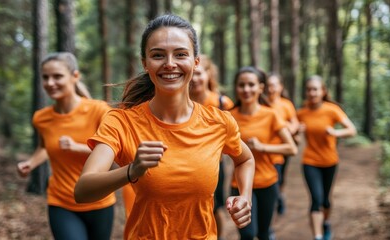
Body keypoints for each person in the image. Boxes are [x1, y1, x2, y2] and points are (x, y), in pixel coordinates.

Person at [74, 14, 255, 239]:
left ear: (195, 62)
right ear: (145, 63)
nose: (170, 63)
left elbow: (245, 159)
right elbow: (83, 190)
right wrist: (132, 170)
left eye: (180, 54)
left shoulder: (219, 121)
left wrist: (245, 197)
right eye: (158, 55)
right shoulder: (121, 122)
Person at [17, 52, 116, 240]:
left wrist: (77, 147)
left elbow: (114, 152)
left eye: (57, 76)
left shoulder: (99, 110)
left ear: (75, 76)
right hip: (61, 202)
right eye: (45, 77)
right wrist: (31, 163)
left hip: (99, 201)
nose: (50, 83)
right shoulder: (41, 118)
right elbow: (46, 147)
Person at [229, 66, 297, 240]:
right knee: (247, 234)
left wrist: (262, 147)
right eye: (241, 85)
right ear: (236, 87)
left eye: (251, 85)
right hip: (240, 185)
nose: (246, 90)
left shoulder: (271, 115)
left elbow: (291, 148)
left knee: (264, 234)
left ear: (261, 88)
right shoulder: (228, 117)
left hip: (267, 182)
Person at [297, 75, 357, 240]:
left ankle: (326, 223)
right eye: (309, 89)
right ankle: (318, 236)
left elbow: (352, 130)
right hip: (309, 162)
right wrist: (297, 131)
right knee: (316, 199)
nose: (312, 93)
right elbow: (292, 133)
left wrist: (335, 132)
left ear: (322, 91)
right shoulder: (301, 113)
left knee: (326, 200)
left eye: (315, 89)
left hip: (330, 161)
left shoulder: (332, 110)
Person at [190, 54, 234, 239]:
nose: (194, 78)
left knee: (215, 207)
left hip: (214, 165)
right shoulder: (177, 102)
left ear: (208, 74)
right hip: (184, 164)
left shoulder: (222, 103)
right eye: (191, 73)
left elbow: (235, 139)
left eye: (199, 73)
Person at [264, 73, 300, 215]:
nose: (270, 89)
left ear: (280, 87)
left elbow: (295, 122)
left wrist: (288, 129)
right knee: (273, 177)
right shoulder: (263, 103)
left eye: (273, 85)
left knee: (280, 177)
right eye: (268, 85)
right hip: (267, 149)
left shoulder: (286, 104)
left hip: (284, 148)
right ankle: (274, 199)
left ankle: (280, 196)